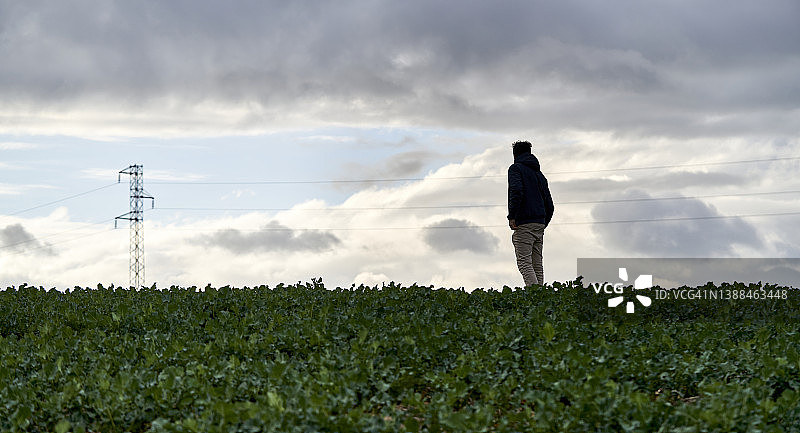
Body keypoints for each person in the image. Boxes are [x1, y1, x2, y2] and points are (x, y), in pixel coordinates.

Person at [507, 140, 554, 287]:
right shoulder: (539, 174)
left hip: (524, 222)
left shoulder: (515, 169)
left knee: (524, 263)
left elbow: (516, 191)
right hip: (539, 223)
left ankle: (535, 297)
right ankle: (542, 299)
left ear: (515, 155)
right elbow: (550, 204)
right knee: (537, 264)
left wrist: (512, 216)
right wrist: (542, 222)